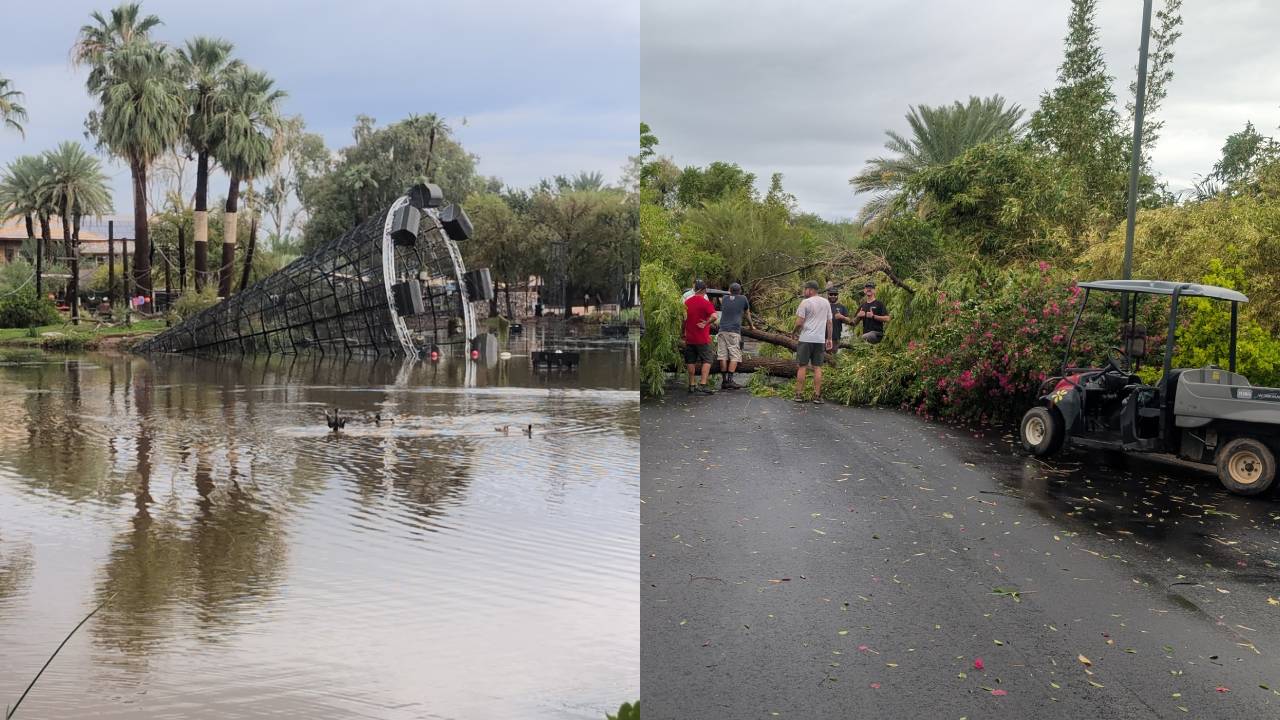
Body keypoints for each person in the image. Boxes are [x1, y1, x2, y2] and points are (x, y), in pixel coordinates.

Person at [794, 280, 832, 403]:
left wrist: (794, 332)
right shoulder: (826, 302)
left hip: (806, 339)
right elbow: (829, 322)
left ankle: (799, 394)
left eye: (805, 289)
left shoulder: (805, 302)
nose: (804, 291)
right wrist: (829, 338)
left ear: (810, 290)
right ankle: (817, 395)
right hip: (820, 340)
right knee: (817, 367)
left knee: (802, 366)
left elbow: (799, 322)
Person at [683, 279, 717, 394]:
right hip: (702, 338)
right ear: (703, 290)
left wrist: (683, 332)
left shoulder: (686, 302)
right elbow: (714, 316)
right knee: (707, 359)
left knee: (690, 361)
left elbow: (683, 319)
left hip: (690, 337)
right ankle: (703, 384)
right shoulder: (706, 303)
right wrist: (706, 323)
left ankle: (692, 384)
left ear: (695, 289)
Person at [716, 282, 751, 389]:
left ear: (729, 290)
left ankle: (724, 381)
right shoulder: (743, 298)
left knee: (722, 356)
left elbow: (724, 301)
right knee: (735, 356)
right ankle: (730, 381)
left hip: (722, 330)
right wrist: (751, 326)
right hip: (734, 331)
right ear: (740, 291)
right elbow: (747, 313)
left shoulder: (724, 298)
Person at [827, 287, 851, 354]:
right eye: (831, 294)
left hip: (835, 337)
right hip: (822, 337)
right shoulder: (824, 305)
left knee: (831, 357)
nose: (833, 296)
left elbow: (849, 320)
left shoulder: (842, 307)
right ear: (828, 295)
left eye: (835, 294)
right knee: (820, 357)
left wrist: (842, 317)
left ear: (837, 295)